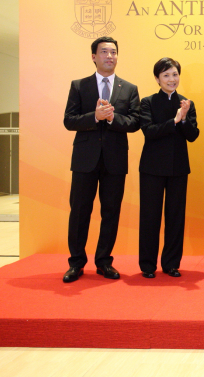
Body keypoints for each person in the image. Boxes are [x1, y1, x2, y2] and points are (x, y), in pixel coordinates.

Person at [62, 36, 140, 283]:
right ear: (94, 56)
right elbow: (69, 120)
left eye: (114, 52)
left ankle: (104, 262)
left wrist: (111, 119)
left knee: (111, 212)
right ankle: (76, 263)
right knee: (79, 212)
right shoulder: (79, 85)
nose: (110, 56)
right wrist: (94, 117)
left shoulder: (129, 89)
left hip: (115, 161)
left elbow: (135, 123)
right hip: (85, 160)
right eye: (104, 52)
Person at [138, 57, 199, 279]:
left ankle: (171, 263)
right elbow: (149, 131)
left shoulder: (186, 103)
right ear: (157, 79)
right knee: (149, 217)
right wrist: (174, 121)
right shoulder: (147, 102)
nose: (171, 79)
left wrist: (184, 120)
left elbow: (193, 136)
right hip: (152, 168)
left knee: (175, 217)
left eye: (174, 74)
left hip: (178, 168)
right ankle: (147, 265)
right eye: (166, 75)